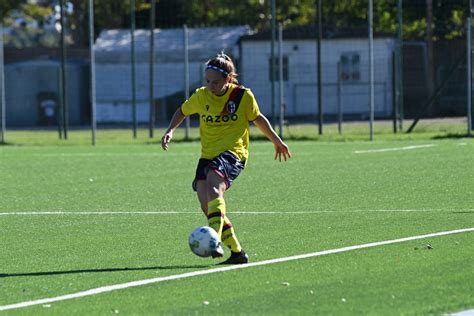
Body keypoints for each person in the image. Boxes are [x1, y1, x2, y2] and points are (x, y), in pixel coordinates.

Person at [161, 52, 291, 264]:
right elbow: (182, 111)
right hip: (208, 155)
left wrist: (277, 141)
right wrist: (170, 130)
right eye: (208, 81)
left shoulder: (242, 96)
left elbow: (258, 119)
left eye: (216, 82)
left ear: (228, 79)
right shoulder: (201, 96)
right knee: (206, 205)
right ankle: (238, 253)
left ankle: (214, 240)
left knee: (214, 187)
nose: (211, 86)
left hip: (234, 152)